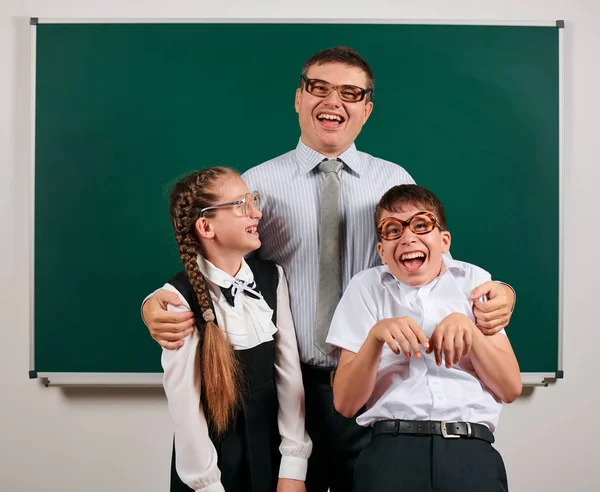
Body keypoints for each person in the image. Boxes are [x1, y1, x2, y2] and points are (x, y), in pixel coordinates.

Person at [143, 47, 516, 492]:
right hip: (287, 390)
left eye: (350, 93)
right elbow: (217, 264)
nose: (332, 102)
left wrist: (501, 289)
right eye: (318, 88)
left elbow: (431, 263)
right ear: (298, 98)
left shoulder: (393, 179)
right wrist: (154, 303)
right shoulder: (259, 185)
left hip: (374, 386)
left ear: (366, 109)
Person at [328, 184, 522, 492]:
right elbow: (346, 404)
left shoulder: (475, 282)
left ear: (444, 241)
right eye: (392, 230)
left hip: (470, 449)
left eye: (422, 225)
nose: (407, 238)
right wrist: (375, 338)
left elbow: (510, 388)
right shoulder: (365, 289)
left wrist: (470, 330)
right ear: (381, 250)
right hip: (392, 451)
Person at [162, 167, 311, 492]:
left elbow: (289, 378)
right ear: (206, 226)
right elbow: (185, 409)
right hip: (213, 465)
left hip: (271, 454)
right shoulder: (178, 298)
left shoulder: (273, 278)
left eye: (253, 201)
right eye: (242, 204)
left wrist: (294, 465)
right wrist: (207, 485)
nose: (256, 213)